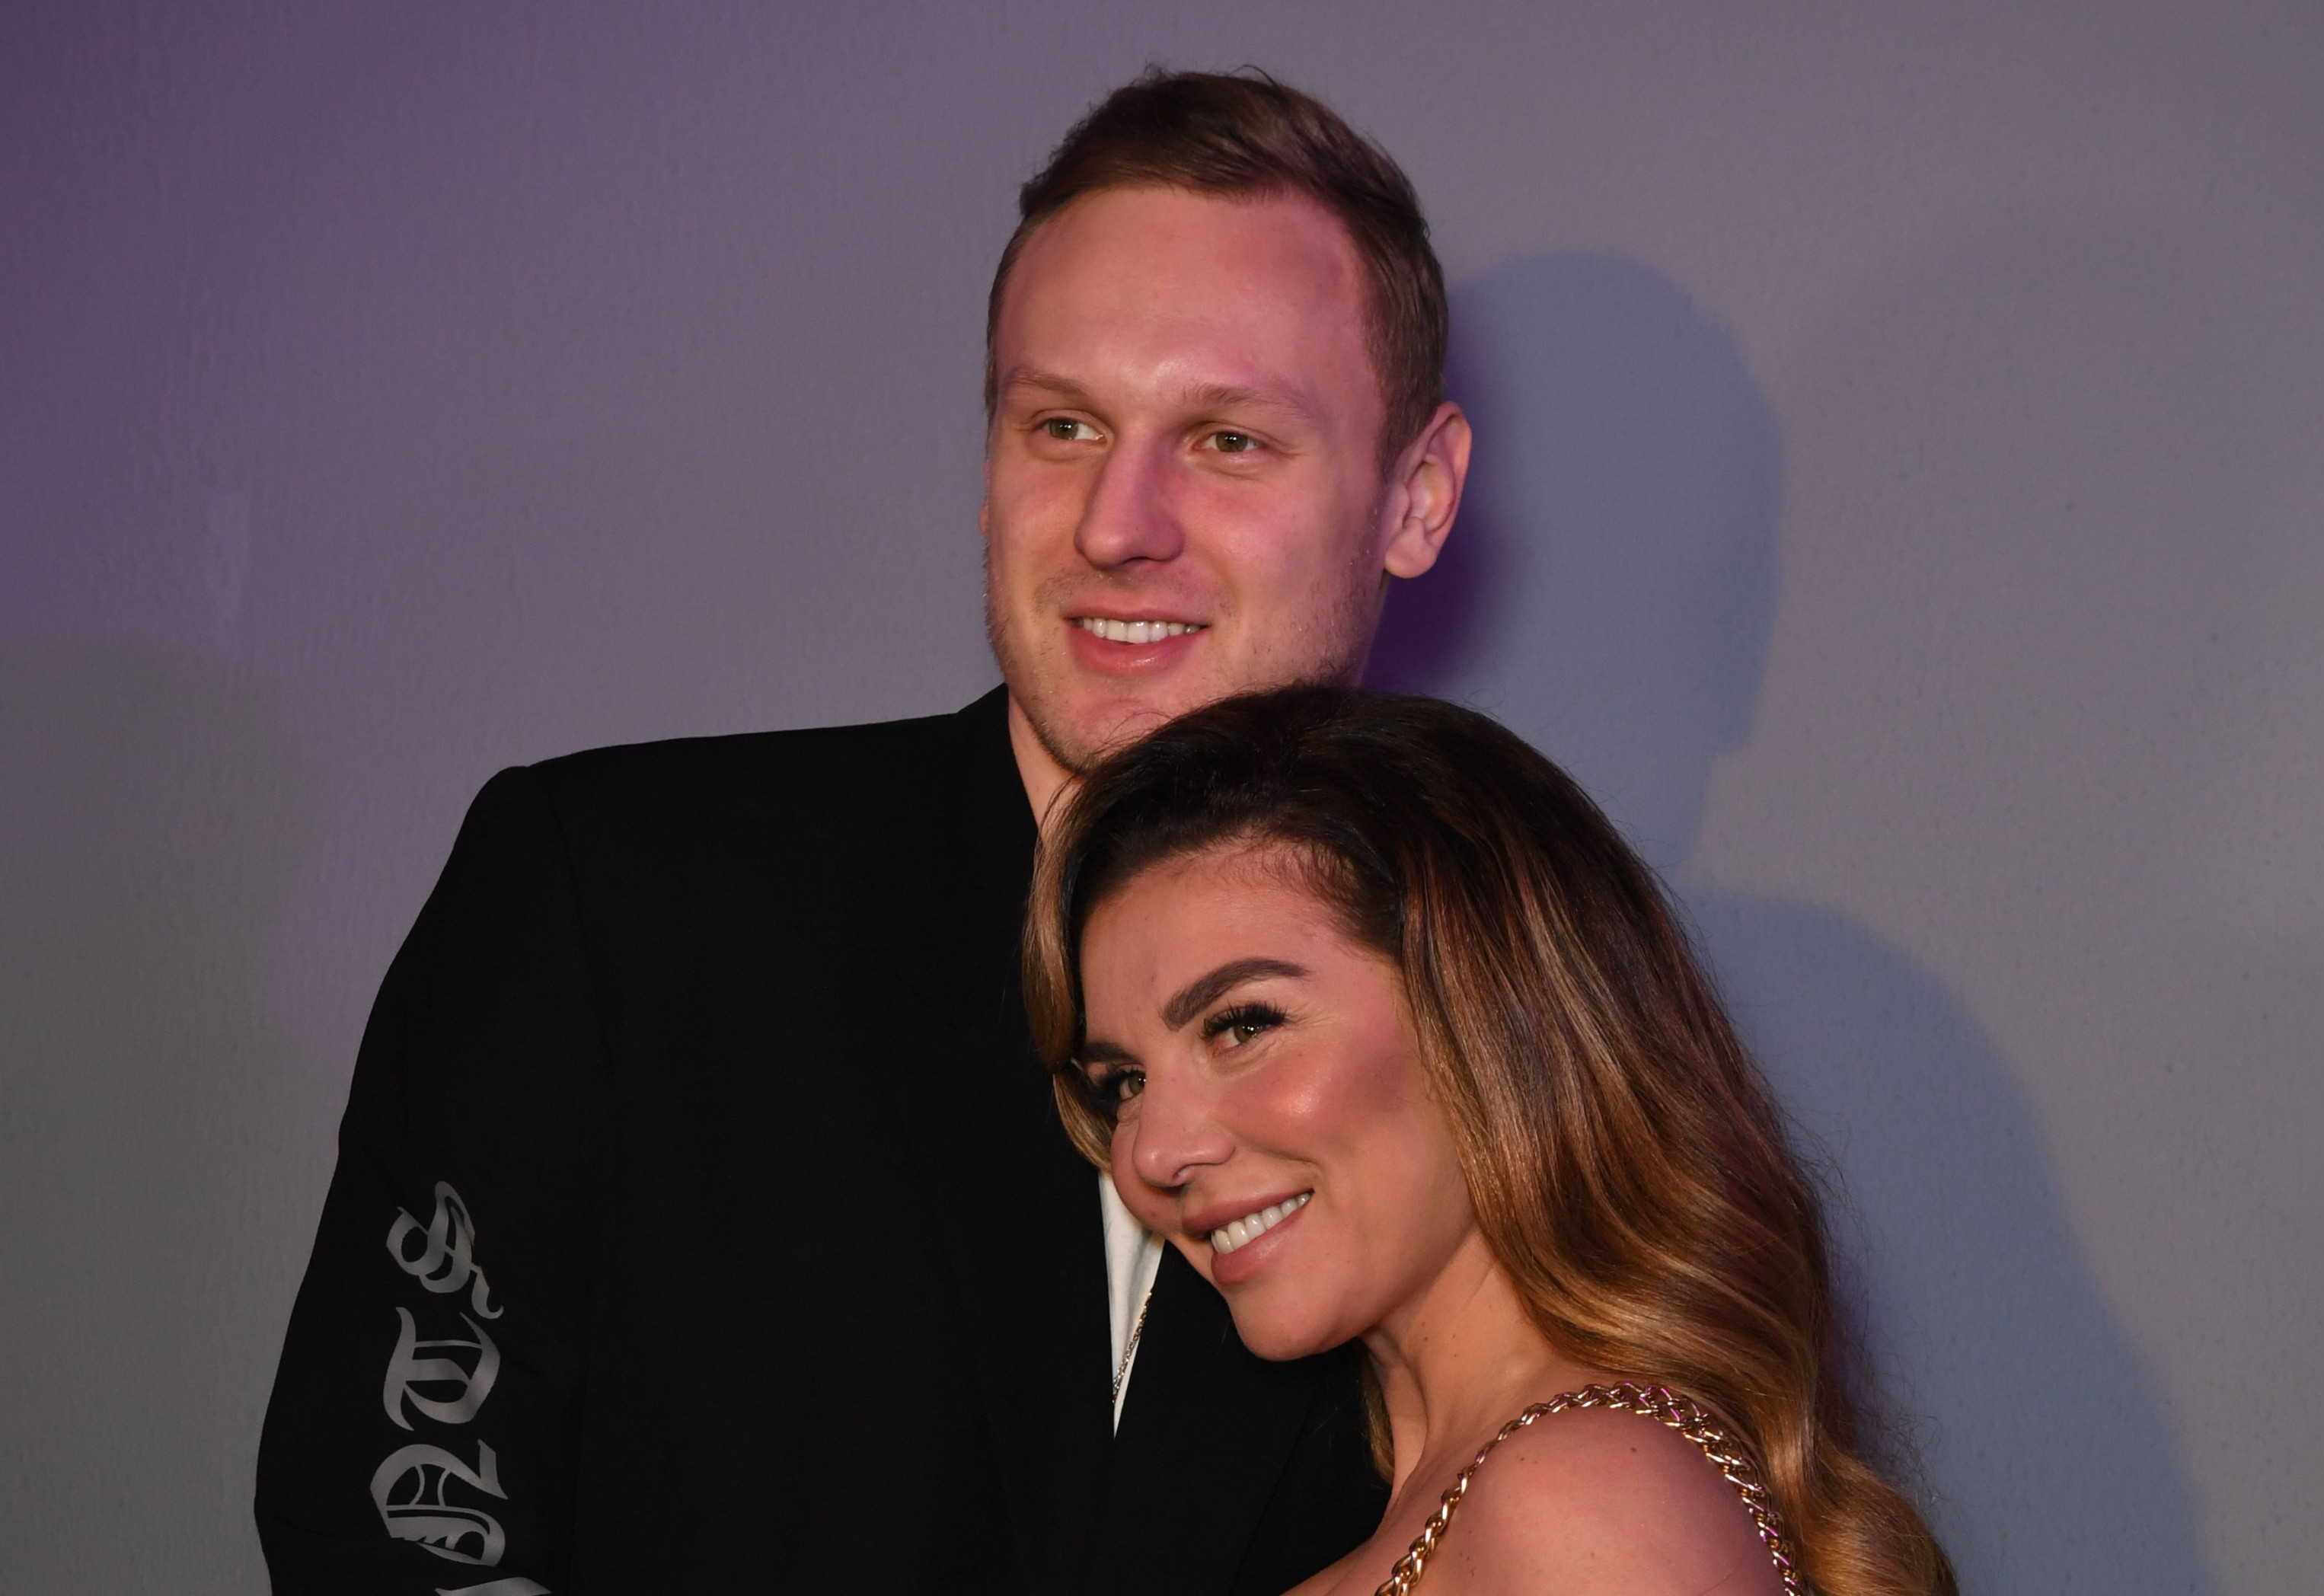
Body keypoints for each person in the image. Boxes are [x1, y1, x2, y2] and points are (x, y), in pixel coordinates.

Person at [254, 70, 1471, 1594]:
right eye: (1063, 425)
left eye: (1226, 440)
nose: (1118, 524)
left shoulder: (1500, 1021)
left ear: (1417, 496)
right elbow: (390, 1535)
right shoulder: (616, 906)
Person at [1026, 686, 1958, 1595]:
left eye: (1242, 1024)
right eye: (1125, 1081)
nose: (1152, 1152)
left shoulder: (1583, 1499)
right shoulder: (1485, 1502)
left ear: (1487, 1013)